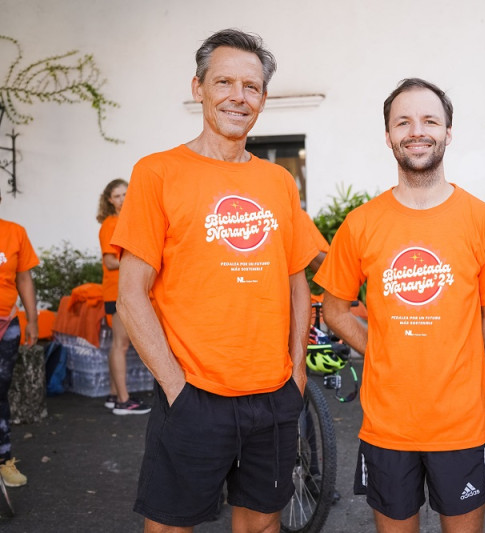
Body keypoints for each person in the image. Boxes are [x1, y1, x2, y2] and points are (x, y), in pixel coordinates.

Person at [112, 29, 317, 532]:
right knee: (170, 525)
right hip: (194, 392)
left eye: (251, 86)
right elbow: (131, 292)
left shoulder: (277, 182)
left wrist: (296, 373)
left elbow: (297, 283)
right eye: (223, 81)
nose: (237, 96)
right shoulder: (157, 173)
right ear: (198, 87)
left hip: (272, 395)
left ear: (264, 99)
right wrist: (175, 386)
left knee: (263, 523)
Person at [314, 78, 485, 533]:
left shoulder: (483, 222)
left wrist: (454, 354)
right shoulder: (360, 224)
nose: (416, 130)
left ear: (448, 132)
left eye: (430, 120)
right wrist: (385, 351)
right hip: (388, 425)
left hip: (462, 424)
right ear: (388, 136)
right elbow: (335, 310)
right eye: (403, 121)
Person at [96, 178, 150, 415]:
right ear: (110, 200)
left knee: (117, 344)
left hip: (122, 290)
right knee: (121, 344)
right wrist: (139, 258)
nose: (123, 199)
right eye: (117, 196)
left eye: (126, 194)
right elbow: (109, 261)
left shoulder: (127, 221)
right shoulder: (111, 223)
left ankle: (113, 395)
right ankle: (123, 401)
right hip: (117, 291)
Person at [0, 189, 38, 487]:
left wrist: (33, 320)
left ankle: (3, 461)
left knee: (1, 392)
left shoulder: (14, 233)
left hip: (6, 324)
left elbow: (24, 277)